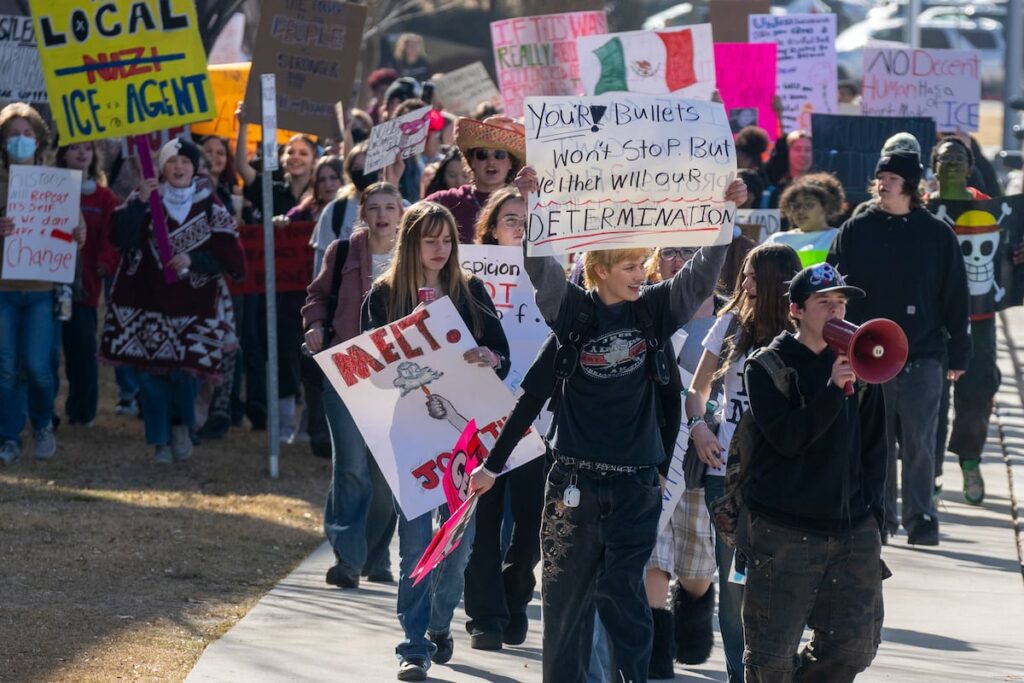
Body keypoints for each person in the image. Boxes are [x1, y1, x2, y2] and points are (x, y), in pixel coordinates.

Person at [499, 165, 746, 683]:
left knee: (620, 592)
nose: (641, 273)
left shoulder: (654, 310)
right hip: (571, 484)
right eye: (630, 266)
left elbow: (700, 275)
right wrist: (536, 202)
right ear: (602, 269)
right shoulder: (572, 311)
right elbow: (542, 270)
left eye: (643, 263)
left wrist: (724, 217)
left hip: (636, 484)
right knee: (564, 607)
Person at [361, 201, 510, 681]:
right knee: (416, 546)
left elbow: (502, 352)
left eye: (447, 240)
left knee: (459, 545)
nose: (441, 249)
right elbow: (367, 371)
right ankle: (413, 644)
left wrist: (487, 356)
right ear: (411, 243)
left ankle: (438, 623)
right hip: (408, 433)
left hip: (462, 435)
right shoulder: (382, 297)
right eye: (431, 240)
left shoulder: (471, 291)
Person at [738, 262, 887, 682]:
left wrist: (875, 516)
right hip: (784, 530)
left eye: (841, 304)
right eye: (824, 304)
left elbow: (876, 446)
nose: (837, 313)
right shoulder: (767, 366)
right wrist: (831, 393)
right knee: (771, 656)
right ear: (796, 310)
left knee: (855, 646)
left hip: (852, 527)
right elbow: (787, 439)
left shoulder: (862, 362)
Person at [828, 150, 970, 546]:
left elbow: (956, 295)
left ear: (910, 185)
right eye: (880, 176)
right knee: (876, 443)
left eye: (891, 176)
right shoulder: (856, 229)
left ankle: (922, 517)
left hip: (922, 355)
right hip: (864, 355)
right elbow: (833, 287)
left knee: (920, 442)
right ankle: (881, 516)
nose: (882, 183)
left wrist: (959, 353)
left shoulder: (937, 234)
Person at [686, 242, 802, 683]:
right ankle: (740, 675)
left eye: (755, 277)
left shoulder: (801, 335)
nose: (745, 284)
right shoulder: (728, 324)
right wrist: (698, 426)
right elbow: (695, 390)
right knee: (734, 588)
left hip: (782, 477)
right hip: (726, 477)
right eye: (745, 276)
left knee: (782, 586)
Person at [101, 137, 244, 463]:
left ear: (195, 168)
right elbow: (119, 238)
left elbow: (233, 259)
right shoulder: (145, 200)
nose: (179, 167)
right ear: (162, 168)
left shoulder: (211, 206)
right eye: (172, 161)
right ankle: (160, 440)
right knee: (151, 378)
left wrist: (193, 261)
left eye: (185, 161)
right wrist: (138, 201)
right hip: (146, 303)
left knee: (185, 374)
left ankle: (181, 425)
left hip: (193, 307)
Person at [302, 182, 404, 588]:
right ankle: (347, 559)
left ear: (401, 213)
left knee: (384, 476)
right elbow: (317, 297)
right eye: (374, 207)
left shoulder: (416, 255)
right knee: (351, 467)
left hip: (399, 375)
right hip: (347, 367)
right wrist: (314, 326)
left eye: (390, 208)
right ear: (362, 213)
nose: (382, 215)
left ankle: (376, 558)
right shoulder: (342, 251)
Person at [457, 184, 542, 651]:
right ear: (491, 227)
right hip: (481, 410)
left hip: (538, 413)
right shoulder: (468, 280)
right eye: (511, 218)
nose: (520, 226)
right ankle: (485, 617)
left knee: (530, 523)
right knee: (484, 518)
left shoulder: (555, 271)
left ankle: (514, 597)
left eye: (528, 218)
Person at [637, 246, 721, 678]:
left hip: (700, 461)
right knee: (656, 554)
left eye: (690, 253)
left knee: (696, 569)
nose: (680, 262)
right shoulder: (647, 305)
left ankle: (693, 621)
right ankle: (656, 652)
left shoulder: (727, 317)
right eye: (671, 252)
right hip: (651, 455)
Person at [0, 102, 86, 463]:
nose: (21, 140)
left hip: (40, 291)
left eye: (27, 134)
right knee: (5, 369)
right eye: (13, 135)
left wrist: (79, 233)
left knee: (37, 367)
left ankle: (41, 424)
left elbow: (74, 231)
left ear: (39, 140)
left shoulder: (57, 183)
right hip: (3, 292)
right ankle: (8, 438)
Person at [929, 137, 994, 505]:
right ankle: (933, 472)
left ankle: (970, 459)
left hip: (978, 318)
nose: (952, 162)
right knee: (932, 396)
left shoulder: (992, 209)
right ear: (933, 166)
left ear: (970, 167)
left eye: (958, 157)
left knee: (978, 390)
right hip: (933, 318)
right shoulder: (921, 208)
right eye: (944, 157)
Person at [56, 141, 121, 427]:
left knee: (82, 349)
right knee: (51, 352)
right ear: (62, 155)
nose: (82, 153)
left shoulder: (105, 198)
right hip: (50, 281)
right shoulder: (50, 192)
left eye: (87, 148)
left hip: (85, 287)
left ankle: (83, 409)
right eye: (73, 148)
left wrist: (105, 263)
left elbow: (112, 237)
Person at [425, 116, 524, 243]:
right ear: (471, 161)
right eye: (482, 155)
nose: (491, 161)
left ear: (511, 162)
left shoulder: (524, 202)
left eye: (499, 154)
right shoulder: (445, 201)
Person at [768, 173, 846, 266]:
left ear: (826, 207)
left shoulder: (840, 238)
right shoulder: (776, 240)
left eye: (808, 204)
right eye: (796, 205)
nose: (800, 210)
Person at [765, 130, 813, 208]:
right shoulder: (773, 189)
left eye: (808, 150)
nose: (803, 154)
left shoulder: (821, 186)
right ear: (787, 152)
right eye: (797, 149)